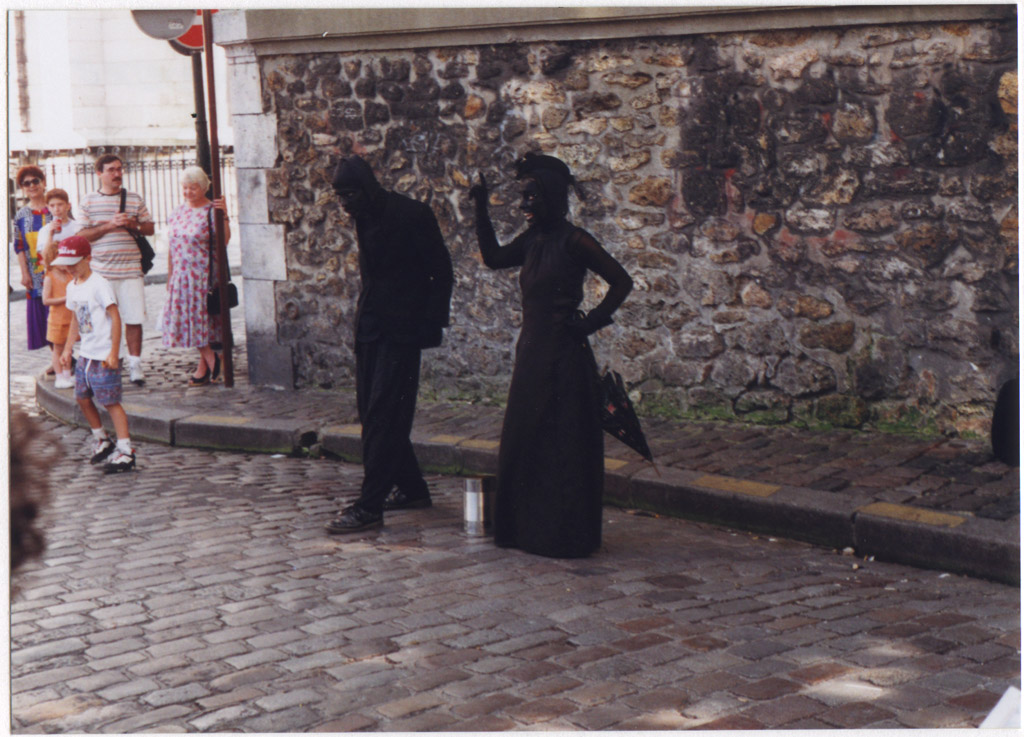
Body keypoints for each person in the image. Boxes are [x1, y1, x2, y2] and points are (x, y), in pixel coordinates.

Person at [468, 153, 633, 558]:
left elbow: (620, 281)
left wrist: (589, 323)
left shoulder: (575, 240)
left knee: (562, 443)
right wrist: (479, 208)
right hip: (532, 354)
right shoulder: (532, 240)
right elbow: (493, 258)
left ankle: (561, 535)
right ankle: (524, 530)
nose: (524, 206)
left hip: (564, 358)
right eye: (522, 198)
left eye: (531, 197)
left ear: (551, 198)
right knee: (526, 440)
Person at [325, 155, 454, 534]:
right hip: (371, 328)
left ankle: (370, 505)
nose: (344, 204)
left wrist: (432, 324)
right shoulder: (363, 216)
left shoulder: (411, 214)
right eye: (339, 197)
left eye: (349, 194)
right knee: (373, 412)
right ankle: (413, 488)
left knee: (384, 415)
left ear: (365, 189)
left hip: (403, 330)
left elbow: (441, 271)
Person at [56, 235, 137, 474]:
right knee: (81, 396)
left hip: (103, 353)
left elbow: (115, 316)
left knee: (111, 401)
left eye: (74, 263)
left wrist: (114, 352)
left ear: (88, 258)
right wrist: (68, 348)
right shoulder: (72, 287)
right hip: (86, 354)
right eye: (66, 264)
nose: (70, 268)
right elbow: (74, 319)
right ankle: (101, 438)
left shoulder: (99, 284)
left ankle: (126, 450)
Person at [77, 154, 154, 386]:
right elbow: (81, 235)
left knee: (133, 318)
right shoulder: (88, 201)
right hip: (101, 272)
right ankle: (108, 361)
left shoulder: (133, 198)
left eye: (119, 169)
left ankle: (135, 365)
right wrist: (111, 225)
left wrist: (133, 224)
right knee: (103, 320)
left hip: (131, 269)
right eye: (111, 170)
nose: (117, 174)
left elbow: (149, 228)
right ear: (99, 173)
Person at [160, 166, 231, 386]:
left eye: (194, 187)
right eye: (185, 187)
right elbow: (172, 246)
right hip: (182, 276)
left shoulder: (211, 210)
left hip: (203, 276)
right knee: (188, 321)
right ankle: (211, 361)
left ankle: (209, 362)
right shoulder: (178, 212)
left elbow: (225, 240)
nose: (189, 191)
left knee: (202, 322)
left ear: (204, 188)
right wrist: (170, 276)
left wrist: (225, 214)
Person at [38, 189, 81, 389]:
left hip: (73, 278)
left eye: (60, 205)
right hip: (57, 280)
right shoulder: (45, 230)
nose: (57, 209)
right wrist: (52, 234)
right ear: (49, 208)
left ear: (68, 205)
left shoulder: (76, 227)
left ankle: (72, 370)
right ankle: (61, 374)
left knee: (76, 334)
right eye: (53, 206)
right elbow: (45, 258)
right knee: (58, 342)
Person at [12, 165, 52, 352]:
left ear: (43, 183)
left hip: (58, 270)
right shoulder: (21, 215)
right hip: (36, 274)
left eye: (35, 181)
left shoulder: (55, 206)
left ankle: (66, 355)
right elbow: (19, 246)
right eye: (26, 183)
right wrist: (24, 273)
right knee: (44, 315)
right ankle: (57, 358)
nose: (31, 186)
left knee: (62, 311)